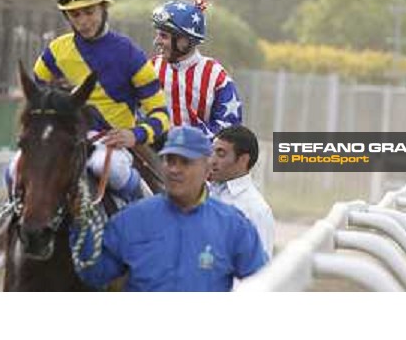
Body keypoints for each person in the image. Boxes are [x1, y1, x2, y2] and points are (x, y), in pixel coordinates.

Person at [11, 0, 170, 202]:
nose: (84, 21)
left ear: (104, 7)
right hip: (66, 142)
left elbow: (161, 116)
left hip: (114, 145)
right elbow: (37, 106)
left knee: (109, 169)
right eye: (75, 15)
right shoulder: (54, 54)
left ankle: (144, 212)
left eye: (89, 11)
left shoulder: (130, 55)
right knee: (12, 171)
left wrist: (134, 134)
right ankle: (8, 226)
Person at [69, 125, 268, 291]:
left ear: (206, 168)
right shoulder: (130, 220)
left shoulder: (233, 225)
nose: (175, 169)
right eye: (170, 160)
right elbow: (95, 275)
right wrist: (81, 223)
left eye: (185, 162)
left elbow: (263, 284)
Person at [151, 0, 242, 140]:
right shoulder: (150, 69)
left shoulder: (216, 75)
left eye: (163, 36)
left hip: (198, 158)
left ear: (185, 40)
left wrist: (193, 145)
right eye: (157, 34)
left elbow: (229, 127)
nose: (156, 41)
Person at [209, 125, 275, 258]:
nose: (212, 160)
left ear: (243, 160)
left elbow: (261, 267)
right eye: (211, 152)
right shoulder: (205, 194)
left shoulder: (255, 209)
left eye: (220, 154)